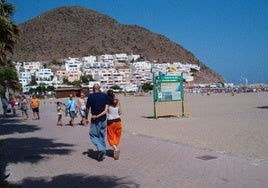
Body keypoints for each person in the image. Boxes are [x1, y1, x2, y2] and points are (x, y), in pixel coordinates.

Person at [86, 83, 113, 161]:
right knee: (101, 136)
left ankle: (101, 149)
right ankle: (103, 154)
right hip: (104, 119)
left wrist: (85, 117)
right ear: (99, 88)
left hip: (95, 119)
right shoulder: (104, 95)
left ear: (93, 89)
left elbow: (87, 108)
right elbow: (112, 101)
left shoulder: (91, 96)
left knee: (93, 135)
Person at [106, 90, 122, 160]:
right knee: (116, 136)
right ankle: (114, 151)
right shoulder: (118, 101)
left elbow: (105, 110)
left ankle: (115, 149)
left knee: (110, 137)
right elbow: (120, 112)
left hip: (111, 121)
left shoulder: (107, 102)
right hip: (118, 121)